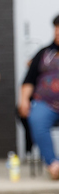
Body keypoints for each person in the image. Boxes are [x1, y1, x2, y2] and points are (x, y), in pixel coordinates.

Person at [19, 14, 59, 180]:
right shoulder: (43, 53)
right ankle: (54, 165)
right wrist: (23, 100)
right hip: (45, 103)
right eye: (56, 28)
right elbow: (28, 80)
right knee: (36, 119)